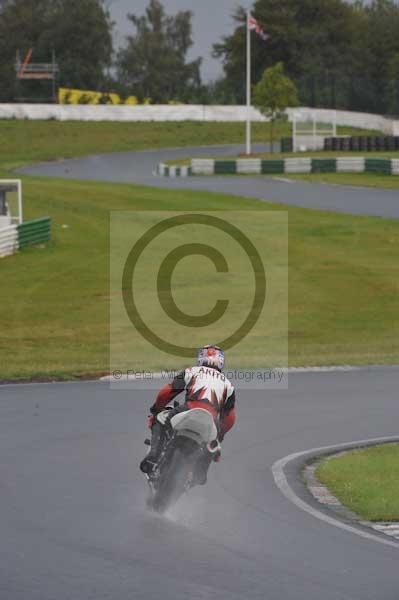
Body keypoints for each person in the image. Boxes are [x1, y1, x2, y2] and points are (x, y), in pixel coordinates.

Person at [140, 345, 236, 484]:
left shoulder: (191, 371)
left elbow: (166, 393)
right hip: (211, 420)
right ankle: (200, 473)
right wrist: (220, 436)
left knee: (160, 419)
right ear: (221, 362)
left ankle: (153, 456)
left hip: (188, 409)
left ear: (200, 358)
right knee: (213, 443)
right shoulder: (228, 385)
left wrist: (156, 409)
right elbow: (230, 418)